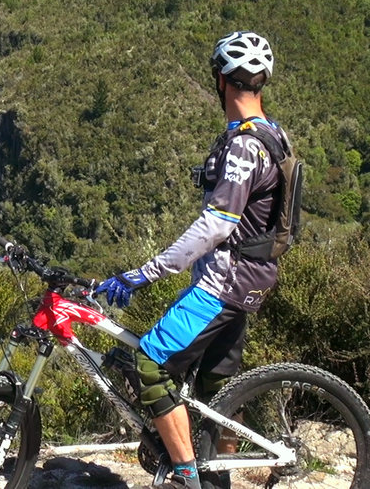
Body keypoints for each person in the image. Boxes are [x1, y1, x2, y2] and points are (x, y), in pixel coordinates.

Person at [95, 31, 290, 489]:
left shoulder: (244, 146)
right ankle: (215, 474)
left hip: (222, 284)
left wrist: (145, 273)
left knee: (150, 362)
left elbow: (216, 225)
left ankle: (186, 476)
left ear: (222, 81)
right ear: (260, 83)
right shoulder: (274, 135)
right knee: (215, 391)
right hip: (254, 281)